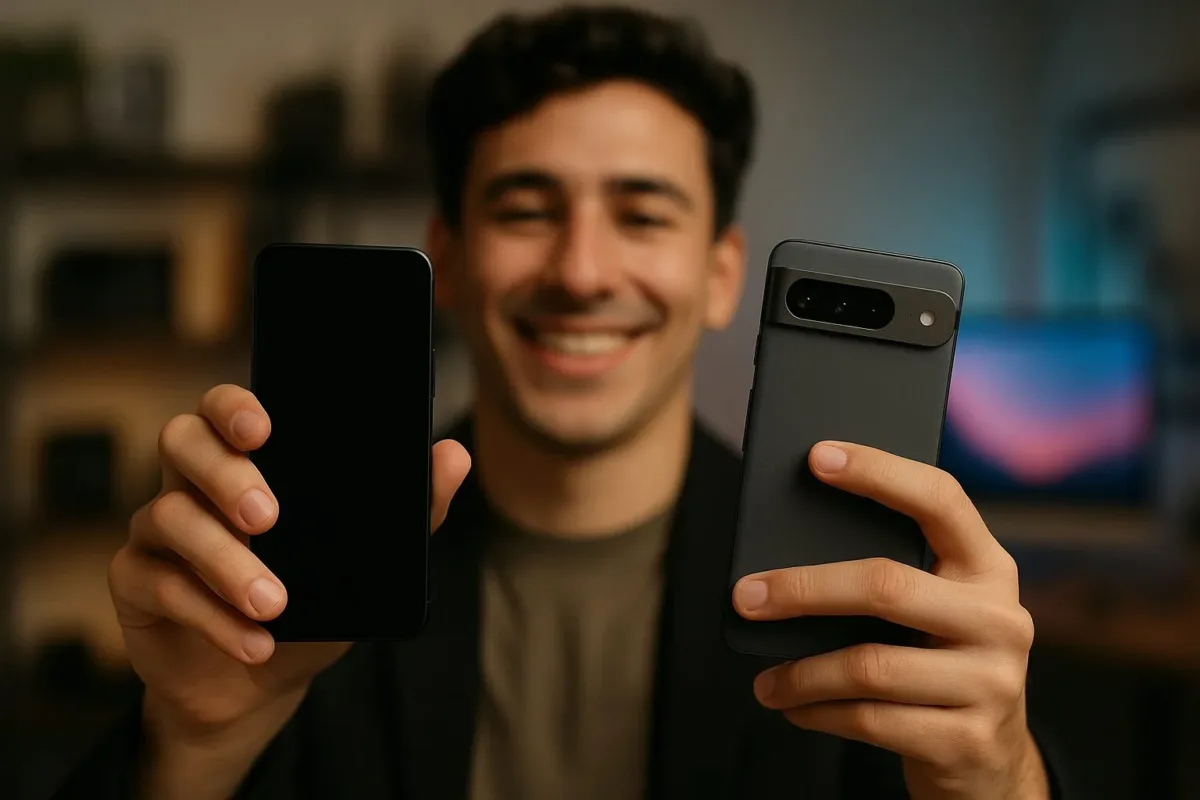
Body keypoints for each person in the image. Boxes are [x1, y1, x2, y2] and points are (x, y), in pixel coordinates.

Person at [55, 6, 1061, 799]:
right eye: (527, 209)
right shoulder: (294, 577)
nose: (581, 271)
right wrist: (188, 743)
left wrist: (1001, 778)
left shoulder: (860, 592)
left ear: (721, 274)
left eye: (641, 213)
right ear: (446, 260)